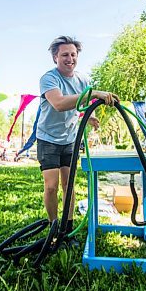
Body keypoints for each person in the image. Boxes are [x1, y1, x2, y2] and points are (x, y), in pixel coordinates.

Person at [36, 35, 119, 245]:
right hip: (48, 139)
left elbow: (78, 107)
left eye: (73, 54)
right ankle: (53, 229)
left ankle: (67, 229)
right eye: (65, 54)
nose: (70, 58)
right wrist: (94, 94)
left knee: (69, 185)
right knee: (52, 186)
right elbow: (59, 103)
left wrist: (88, 116)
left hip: (70, 140)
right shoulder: (49, 78)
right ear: (56, 57)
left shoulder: (82, 80)